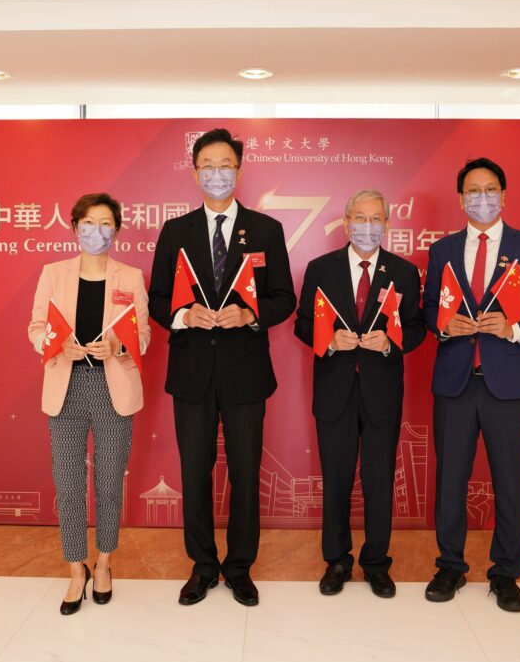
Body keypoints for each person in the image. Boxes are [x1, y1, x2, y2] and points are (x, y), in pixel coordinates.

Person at [148, 128, 296, 607]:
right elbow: (156, 300)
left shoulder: (266, 229)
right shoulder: (176, 231)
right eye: (207, 165)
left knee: (246, 472)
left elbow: (284, 298)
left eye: (225, 164)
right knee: (194, 471)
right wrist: (182, 315)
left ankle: (239, 568)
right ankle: (203, 566)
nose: (216, 173)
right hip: (191, 370)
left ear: (239, 169)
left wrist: (251, 314)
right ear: (195, 172)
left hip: (245, 371)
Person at [421, 158, 520, 612]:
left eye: (489, 191)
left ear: (503, 196)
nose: (480, 199)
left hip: (509, 382)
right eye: (471, 192)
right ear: (460, 198)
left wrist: (514, 328)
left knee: (509, 479)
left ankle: (505, 573)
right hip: (455, 381)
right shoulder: (443, 250)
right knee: (450, 480)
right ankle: (450, 565)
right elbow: (428, 309)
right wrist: (446, 327)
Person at [294, 189, 425, 598]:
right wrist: (330, 340)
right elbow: (301, 324)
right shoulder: (321, 268)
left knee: (379, 480)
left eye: (376, 219)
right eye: (360, 218)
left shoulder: (404, 272)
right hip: (334, 389)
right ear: (346, 221)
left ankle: (376, 563)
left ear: (386, 224)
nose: (367, 226)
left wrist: (389, 343)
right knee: (335, 479)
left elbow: (418, 327)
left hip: (382, 389)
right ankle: (336, 561)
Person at [28, 192, 150, 615]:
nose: (96, 232)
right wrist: (59, 345)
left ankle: (104, 563)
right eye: (88, 224)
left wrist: (117, 347)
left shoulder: (131, 277)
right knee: (68, 481)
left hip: (112, 387)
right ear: (75, 226)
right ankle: (76, 568)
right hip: (66, 384)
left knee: (110, 480)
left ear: (116, 229)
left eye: (105, 224)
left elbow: (145, 336)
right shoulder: (53, 273)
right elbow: (36, 326)